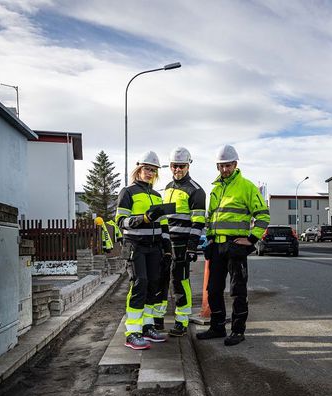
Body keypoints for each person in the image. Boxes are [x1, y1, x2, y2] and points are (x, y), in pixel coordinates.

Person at [197, 145, 269, 346]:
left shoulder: (246, 187)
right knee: (213, 290)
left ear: (235, 164)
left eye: (228, 165)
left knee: (238, 291)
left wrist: (252, 239)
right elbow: (210, 218)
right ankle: (217, 327)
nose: (224, 170)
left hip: (235, 247)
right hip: (217, 247)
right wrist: (210, 239)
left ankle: (238, 331)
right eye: (221, 166)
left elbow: (263, 215)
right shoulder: (216, 189)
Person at [115, 151, 171, 350]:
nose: (150, 173)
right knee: (140, 284)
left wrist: (167, 250)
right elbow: (120, 221)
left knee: (153, 285)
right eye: (147, 169)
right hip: (135, 246)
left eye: (153, 170)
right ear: (139, 169)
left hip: (155, 247)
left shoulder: (157, 196)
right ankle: (132, 332)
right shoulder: (127, 192)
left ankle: (147, 328)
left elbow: (164, 226)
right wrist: (143, 219)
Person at [153, 147, 206, 337]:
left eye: (181, 166)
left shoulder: (196, 191)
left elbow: (198, 222)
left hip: (182, 245)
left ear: (188, 165)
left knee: (179, 282)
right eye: (174, 166)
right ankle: (158, 319)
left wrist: (192, 247)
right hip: (165, 243)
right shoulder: (167, 188)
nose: (177, 170)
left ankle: (182, 321)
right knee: (160, 280)